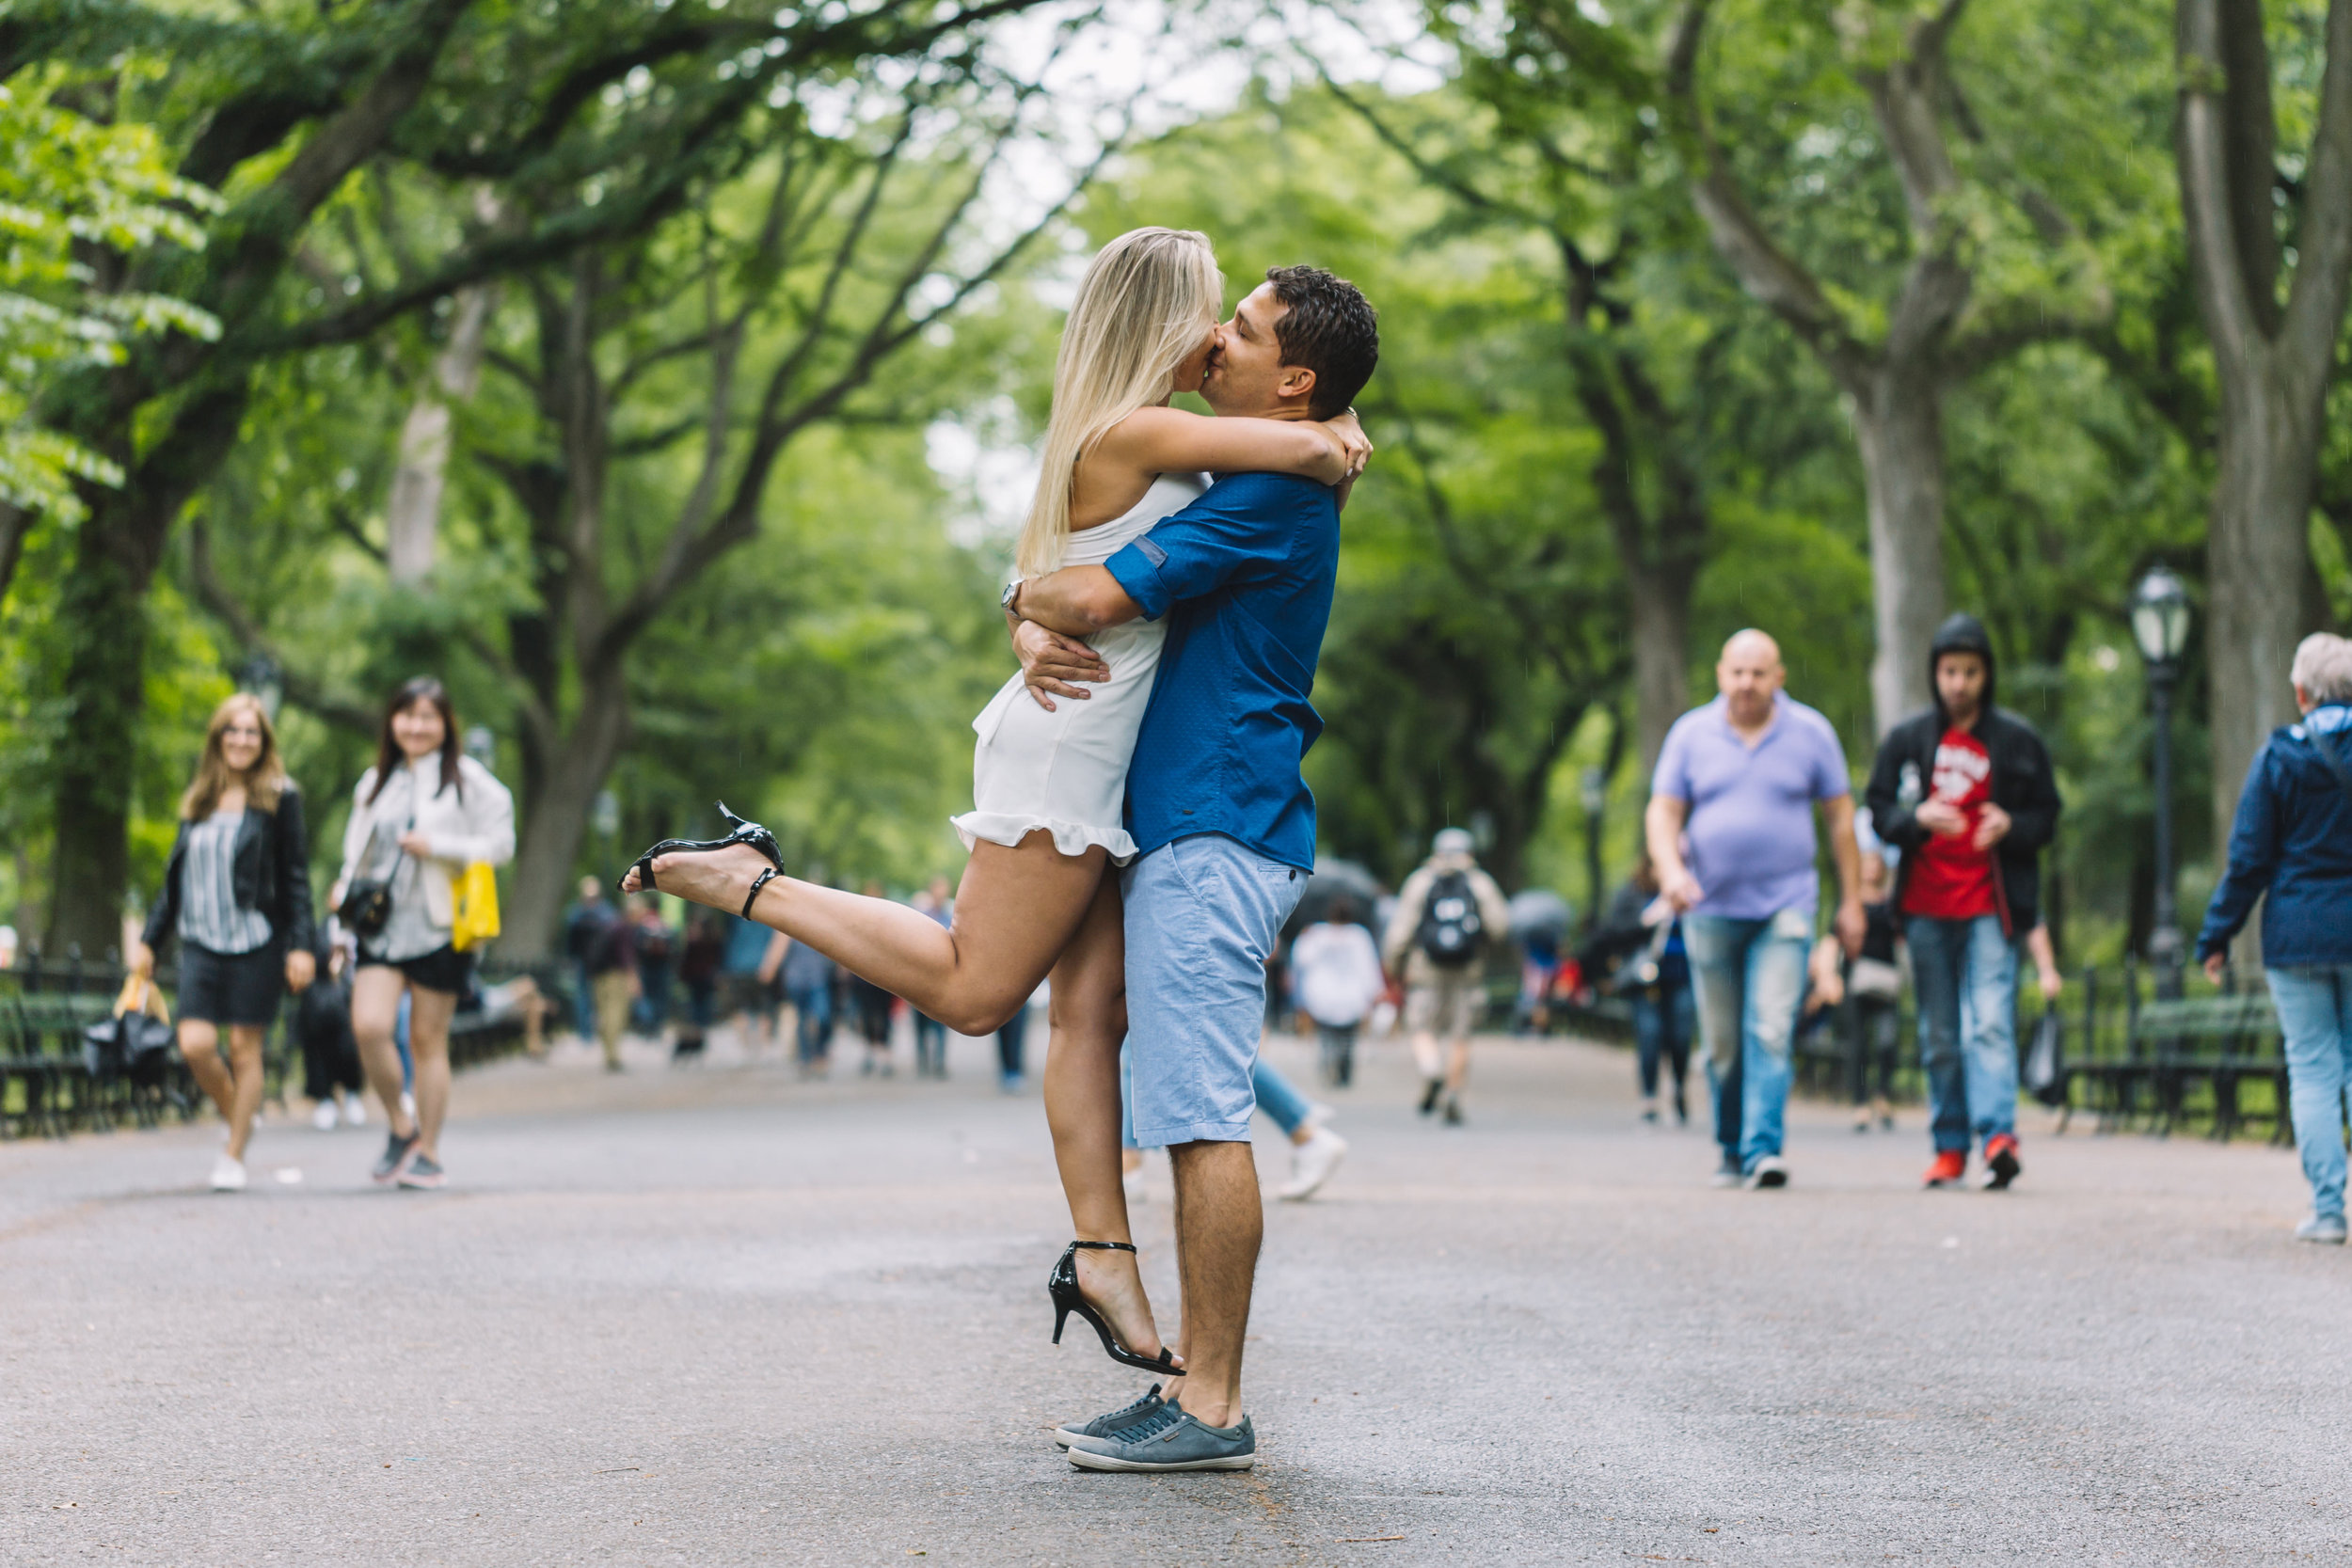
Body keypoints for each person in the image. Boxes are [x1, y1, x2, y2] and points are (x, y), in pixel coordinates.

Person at [628, 250, 1377, 1472]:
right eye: (1213, 315)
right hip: (1131, 780)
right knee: (1036, 1012)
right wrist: (1038, 605)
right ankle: (1180, 1365)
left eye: (1241, 329)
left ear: (1287, 376)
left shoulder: (1245, 474)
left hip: (1202, 815)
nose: (1219, 338)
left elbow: (1105, 569)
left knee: (1175, 1096)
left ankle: (1196, 1386)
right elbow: (1138, 541)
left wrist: (1035, 601)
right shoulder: (1221, 449)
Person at [1647, 628, 1866, 1190]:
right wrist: (1672, 872)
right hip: (1709, 907)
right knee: (1722, 1043)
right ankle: (1730, 1146)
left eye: (1758, 672)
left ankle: (1763, 1148)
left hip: (1785, 906)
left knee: (1770, 1027)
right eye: (1737, 672)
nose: (1746, 683)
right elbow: (1664, 813)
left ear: (1778, 677)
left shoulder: (1812, 733)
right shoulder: (1691, 734)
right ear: (1721, 674)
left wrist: (1853, 902)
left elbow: (1841, 821)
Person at [1864, 613, 2062, 1191]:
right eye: (1950, 671)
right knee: (1940, 1035)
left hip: (1990, 909)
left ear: (1986, 675)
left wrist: (2012, 824)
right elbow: (1875, 809)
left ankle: (1998, 1137)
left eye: (1970, 672)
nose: (1959, 683)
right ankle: (1949, 1146)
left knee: (1991, 1026)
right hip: (1925, 908)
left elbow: (2048, 816)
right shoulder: (1907, 739)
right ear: (1935, 674)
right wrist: (1914, 819)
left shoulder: (2018, 741)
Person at [2196, 632, 2352, 1243]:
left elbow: (2249, 858)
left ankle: (2330, 1209)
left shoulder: (2280, 755)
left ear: (2300, 691)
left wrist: (2217, 934)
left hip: (2296, 933)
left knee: (2312, 1067)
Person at [332, 677, 515, 1191]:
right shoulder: (375, 783)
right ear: (392, 721)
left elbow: (501, 844)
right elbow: (356, 854)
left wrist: (439, 845)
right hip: (380, 927)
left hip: (441, 925)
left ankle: (429, 1152)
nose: (416, 726)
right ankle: (400, 1124)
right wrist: (341, 897)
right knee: (369, 1026)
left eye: (427, 717)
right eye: (406, 715)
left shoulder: (469, 781)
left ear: (445, 724)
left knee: (427, 1040)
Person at [130, 693, 316, 1191]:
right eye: (232, 730)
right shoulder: (199, 799)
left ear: (264, 741)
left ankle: (232, 1156)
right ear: (217, 738)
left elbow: (295, 876)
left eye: (251, 731)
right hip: (201, 942)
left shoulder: (280, 796)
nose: (241, 739)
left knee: (244, 1048)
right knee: (194, 1044)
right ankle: (241, 1116)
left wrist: (302, 945)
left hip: (257, 941)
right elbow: (175, 880)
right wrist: (150, 940)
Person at [1381, 829, 1513, 1124]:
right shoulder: (1480, 883)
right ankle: (1454, 1093)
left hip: (1425, 967)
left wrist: (1394, 966)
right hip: (1468, 969)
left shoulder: (1420, 881)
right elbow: (1501, 926)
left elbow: (1400, 931)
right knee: (1460, 1035)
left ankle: (1430, 1069)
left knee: (1421, 1027)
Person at [1581, 854, 1692, 1127]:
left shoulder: (1693, 893)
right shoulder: (1633, 894)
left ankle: (1678, 1087)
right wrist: (1648, 919)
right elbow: (1611, 933)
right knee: (1650, 1035)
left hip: (1683, 976)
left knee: (1680, 1036)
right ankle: (1649, 1097)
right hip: (1644, 980)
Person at [1289, 895, 1385, 1087]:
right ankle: (1343, 1069)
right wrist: (1375, 991)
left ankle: (1327, 1062)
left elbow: (1301, 960)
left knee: (1326, 1035)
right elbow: (1368, 965)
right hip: (1352, 995)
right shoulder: (1359, 935)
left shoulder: (1316, 933)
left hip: (1322, 994)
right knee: (1348, 1037)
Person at [564, 876, 638, 1073]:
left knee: (596, 1005)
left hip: (590, 966)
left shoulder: (576, 914)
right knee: (609, 1010)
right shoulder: (608, 915)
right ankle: (602, 1046)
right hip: (603, 968)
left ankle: (589, 1037)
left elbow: (571, 941)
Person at [295, 928, 366, 1130]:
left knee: (349, 1050)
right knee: (319, 1051)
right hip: (324, 1004)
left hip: (354, 999)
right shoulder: (323, 930)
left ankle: (352, 1093)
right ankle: (325, 1099)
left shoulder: (361, 929)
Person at [847, 882, 898, 1076]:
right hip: (862, 979)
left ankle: (884, 1053)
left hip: (883, 978)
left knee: (883, 1016)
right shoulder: (857, 921)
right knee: (868, 1016)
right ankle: (871, 1051)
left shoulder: (887, 922)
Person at [775, 931, 837, 1077]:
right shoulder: (787, 923)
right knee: (802, 1019)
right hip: (796, 980)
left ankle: (820, 1052)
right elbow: (779, 947)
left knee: (823, 1017)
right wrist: (770, 968)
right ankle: (805, 1058)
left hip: (818, 978)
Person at [910, 879, 953, 1077]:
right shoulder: (921, 916)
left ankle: (939, 1061)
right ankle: (923, 1058)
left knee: (941, 1025)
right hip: (920, 979)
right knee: (920, 1024)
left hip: (942, 980)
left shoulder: (952, 915)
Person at [672, 911, 725, 1062]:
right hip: (704, 978)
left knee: (695, 1007)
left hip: (696, 978)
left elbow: (685, 960)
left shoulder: (695, 940)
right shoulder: (715, 939)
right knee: (702, 1007)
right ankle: (699, 1034)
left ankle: (696, 1034)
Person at [630, 895, 675, 1037]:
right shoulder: (665, 924)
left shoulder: (643, 925)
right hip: (662, 966)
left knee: (646, 996)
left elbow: (635, 946)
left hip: (646, 965)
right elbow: (674, 947)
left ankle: (647, 1025)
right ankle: (657, 1025)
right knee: (659, 997)